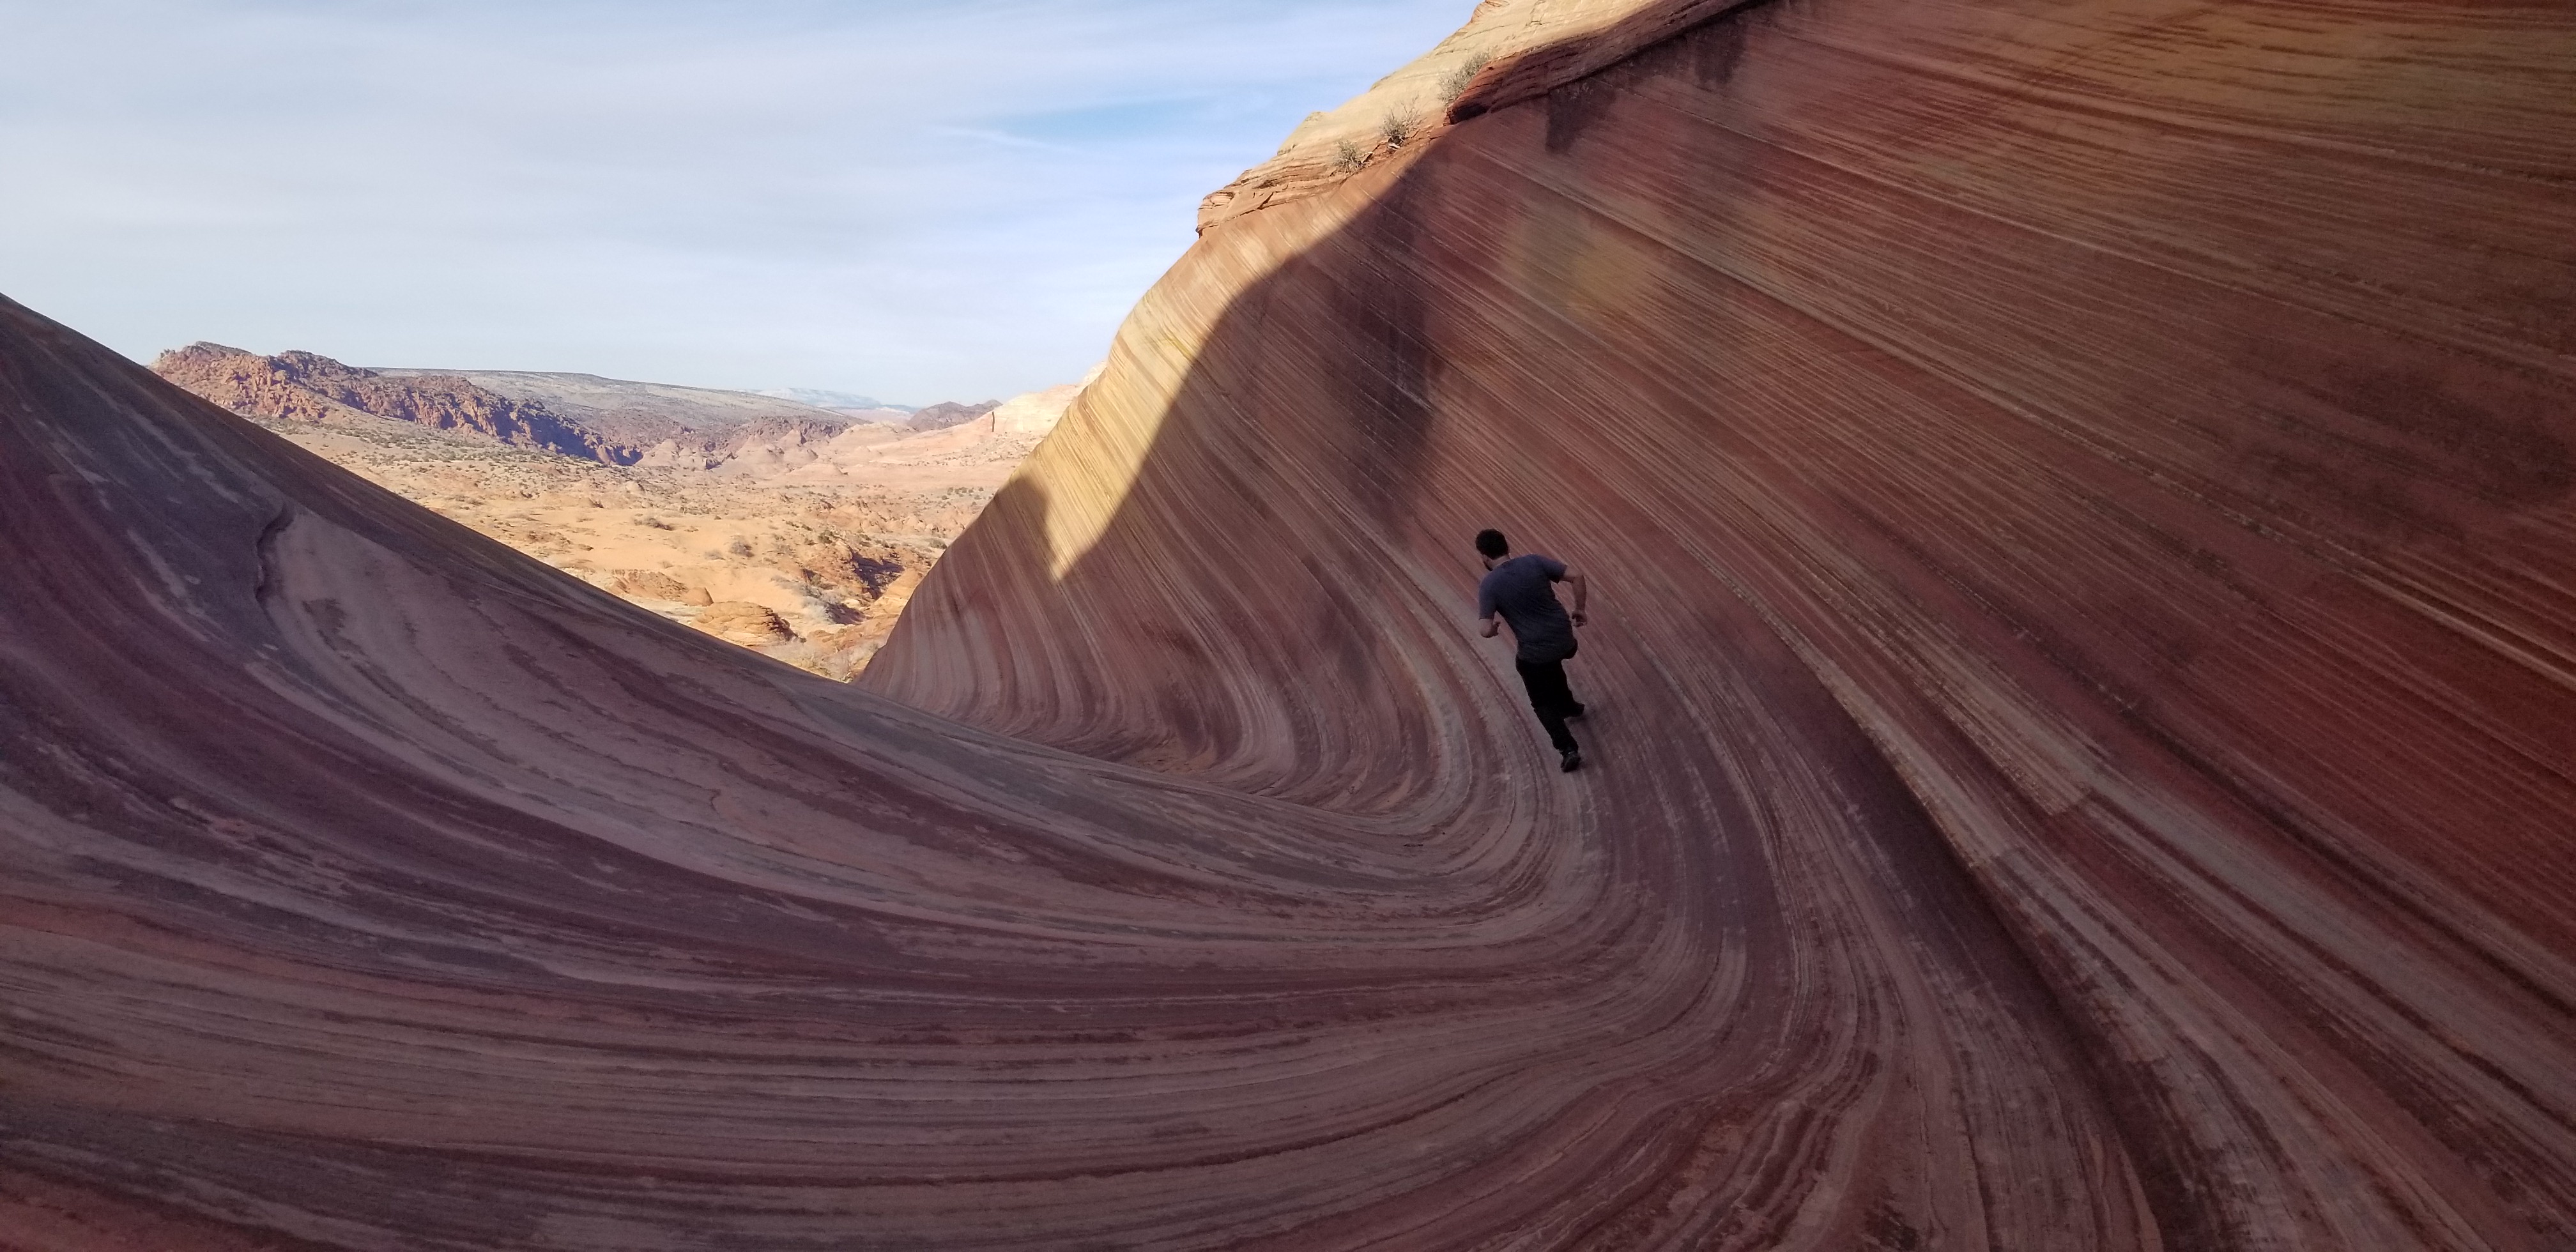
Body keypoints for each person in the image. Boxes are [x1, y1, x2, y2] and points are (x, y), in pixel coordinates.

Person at [1472, 528, 1590, 772]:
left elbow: (1484, 629)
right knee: (1549, 664)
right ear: (1507, 547)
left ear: (1484, 556)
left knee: (1539, 695)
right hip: (1565, 639)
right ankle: (1569, 705)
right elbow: (1577, 575)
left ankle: (1567, 748)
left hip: (1537, 650)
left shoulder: (1489, 585)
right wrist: (1580, 609)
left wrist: (1493, 630)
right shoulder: (1534, 562)